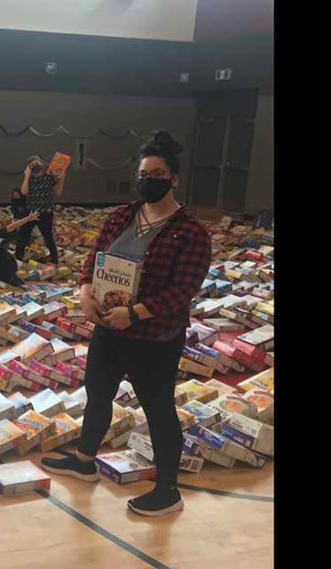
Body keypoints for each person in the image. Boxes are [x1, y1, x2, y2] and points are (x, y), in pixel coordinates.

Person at [40, 132, 212, 518]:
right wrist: (85, 292)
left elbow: (184, 289)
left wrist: (136, 313)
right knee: (97, 393)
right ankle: (85, 459)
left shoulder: (190, 231)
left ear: (173, 179)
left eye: (157, 173)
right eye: (143, 173)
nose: (148, 179)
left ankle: (168, 489)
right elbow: (95, 258)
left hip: (153, 336)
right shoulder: (121, 215)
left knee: (157, 407)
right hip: (108, 328)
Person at [15, 155, 64, 265]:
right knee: (22, 237)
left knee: (48, 238)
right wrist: (26, 176)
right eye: (32, 165)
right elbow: (24, 192)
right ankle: (18, 260)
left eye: (37, 163)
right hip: (31, 212)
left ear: (41, 163)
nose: (36, 166)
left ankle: (54, 260)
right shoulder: (29, 178)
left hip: (46, 212)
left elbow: (58, 192)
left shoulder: (49, 176)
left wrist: (61, 179)